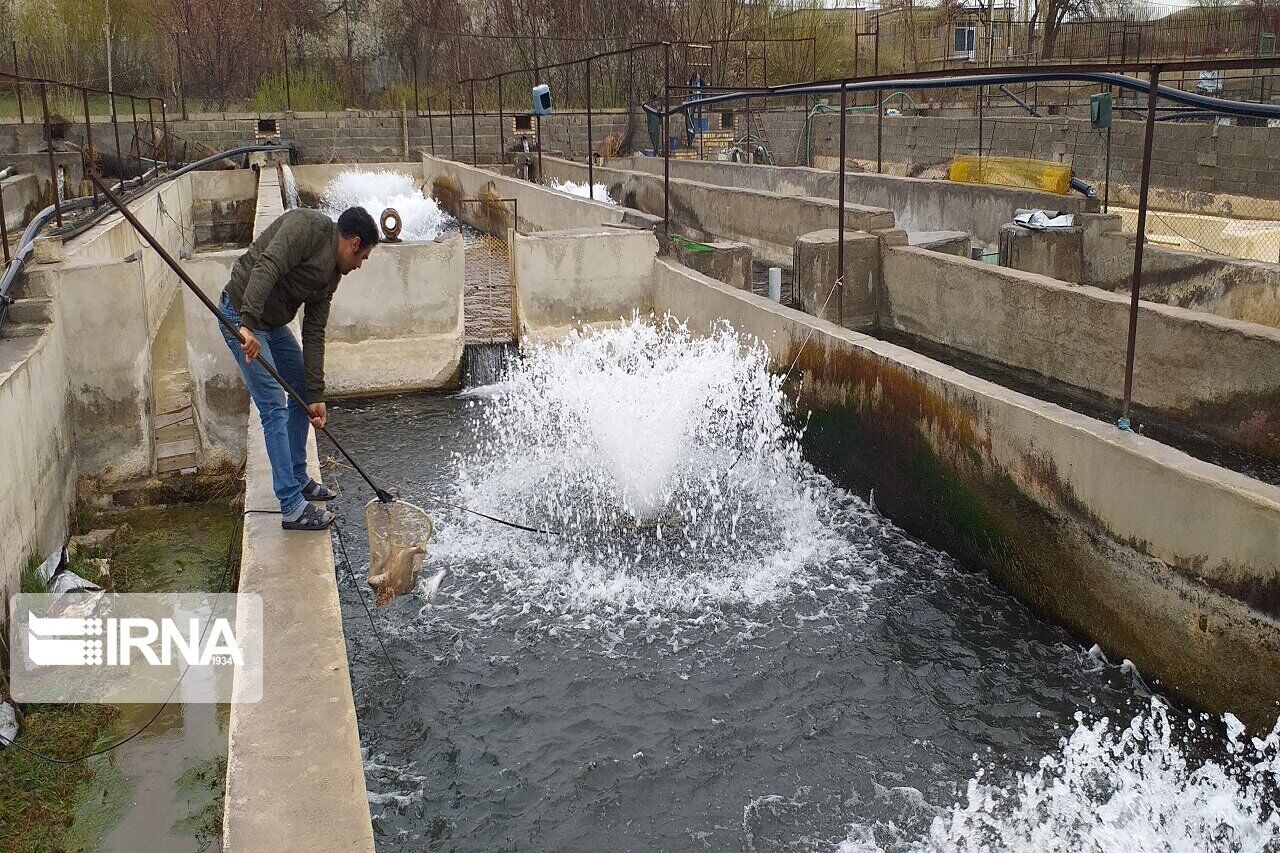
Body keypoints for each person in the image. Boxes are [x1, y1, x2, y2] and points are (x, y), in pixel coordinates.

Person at [219, 206, 379, 531]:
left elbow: (314, 330)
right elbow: (267, 266)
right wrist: (246, 325)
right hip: (241, 315)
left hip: (272, 324)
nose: (361, 264)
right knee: (274, 406)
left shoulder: (332, 274)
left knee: (301, 390)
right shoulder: (305, 227)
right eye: (364, 257)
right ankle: (292, 506)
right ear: (354, 243)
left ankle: (297, 474)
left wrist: (317, 394)